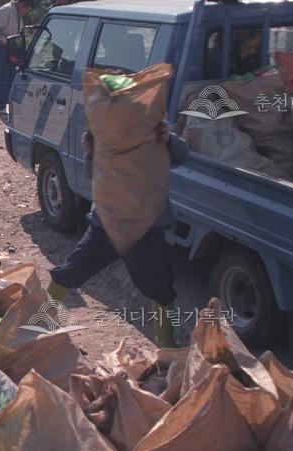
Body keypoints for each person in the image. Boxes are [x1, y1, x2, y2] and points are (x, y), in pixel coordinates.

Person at [47, 120, 189, 347]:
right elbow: (91, 172)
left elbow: (181, 156)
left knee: (161, 288)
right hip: (108, 225)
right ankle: (40, 323)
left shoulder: (151, 128)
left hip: (146, 228)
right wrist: (94, 150)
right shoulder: (105, 128)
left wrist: (168, 139)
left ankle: (166, 345)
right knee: (71, 270)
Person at [0, 0, 35, 118]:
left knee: (11, 77)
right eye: (27, 9)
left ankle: (9, 104)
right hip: (1, 47)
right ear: (22, 5)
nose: (26, 12)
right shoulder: (6, 10)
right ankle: (1, 106)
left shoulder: (17, 12)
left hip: (12, 47)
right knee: (1, 78)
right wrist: (1, 39)